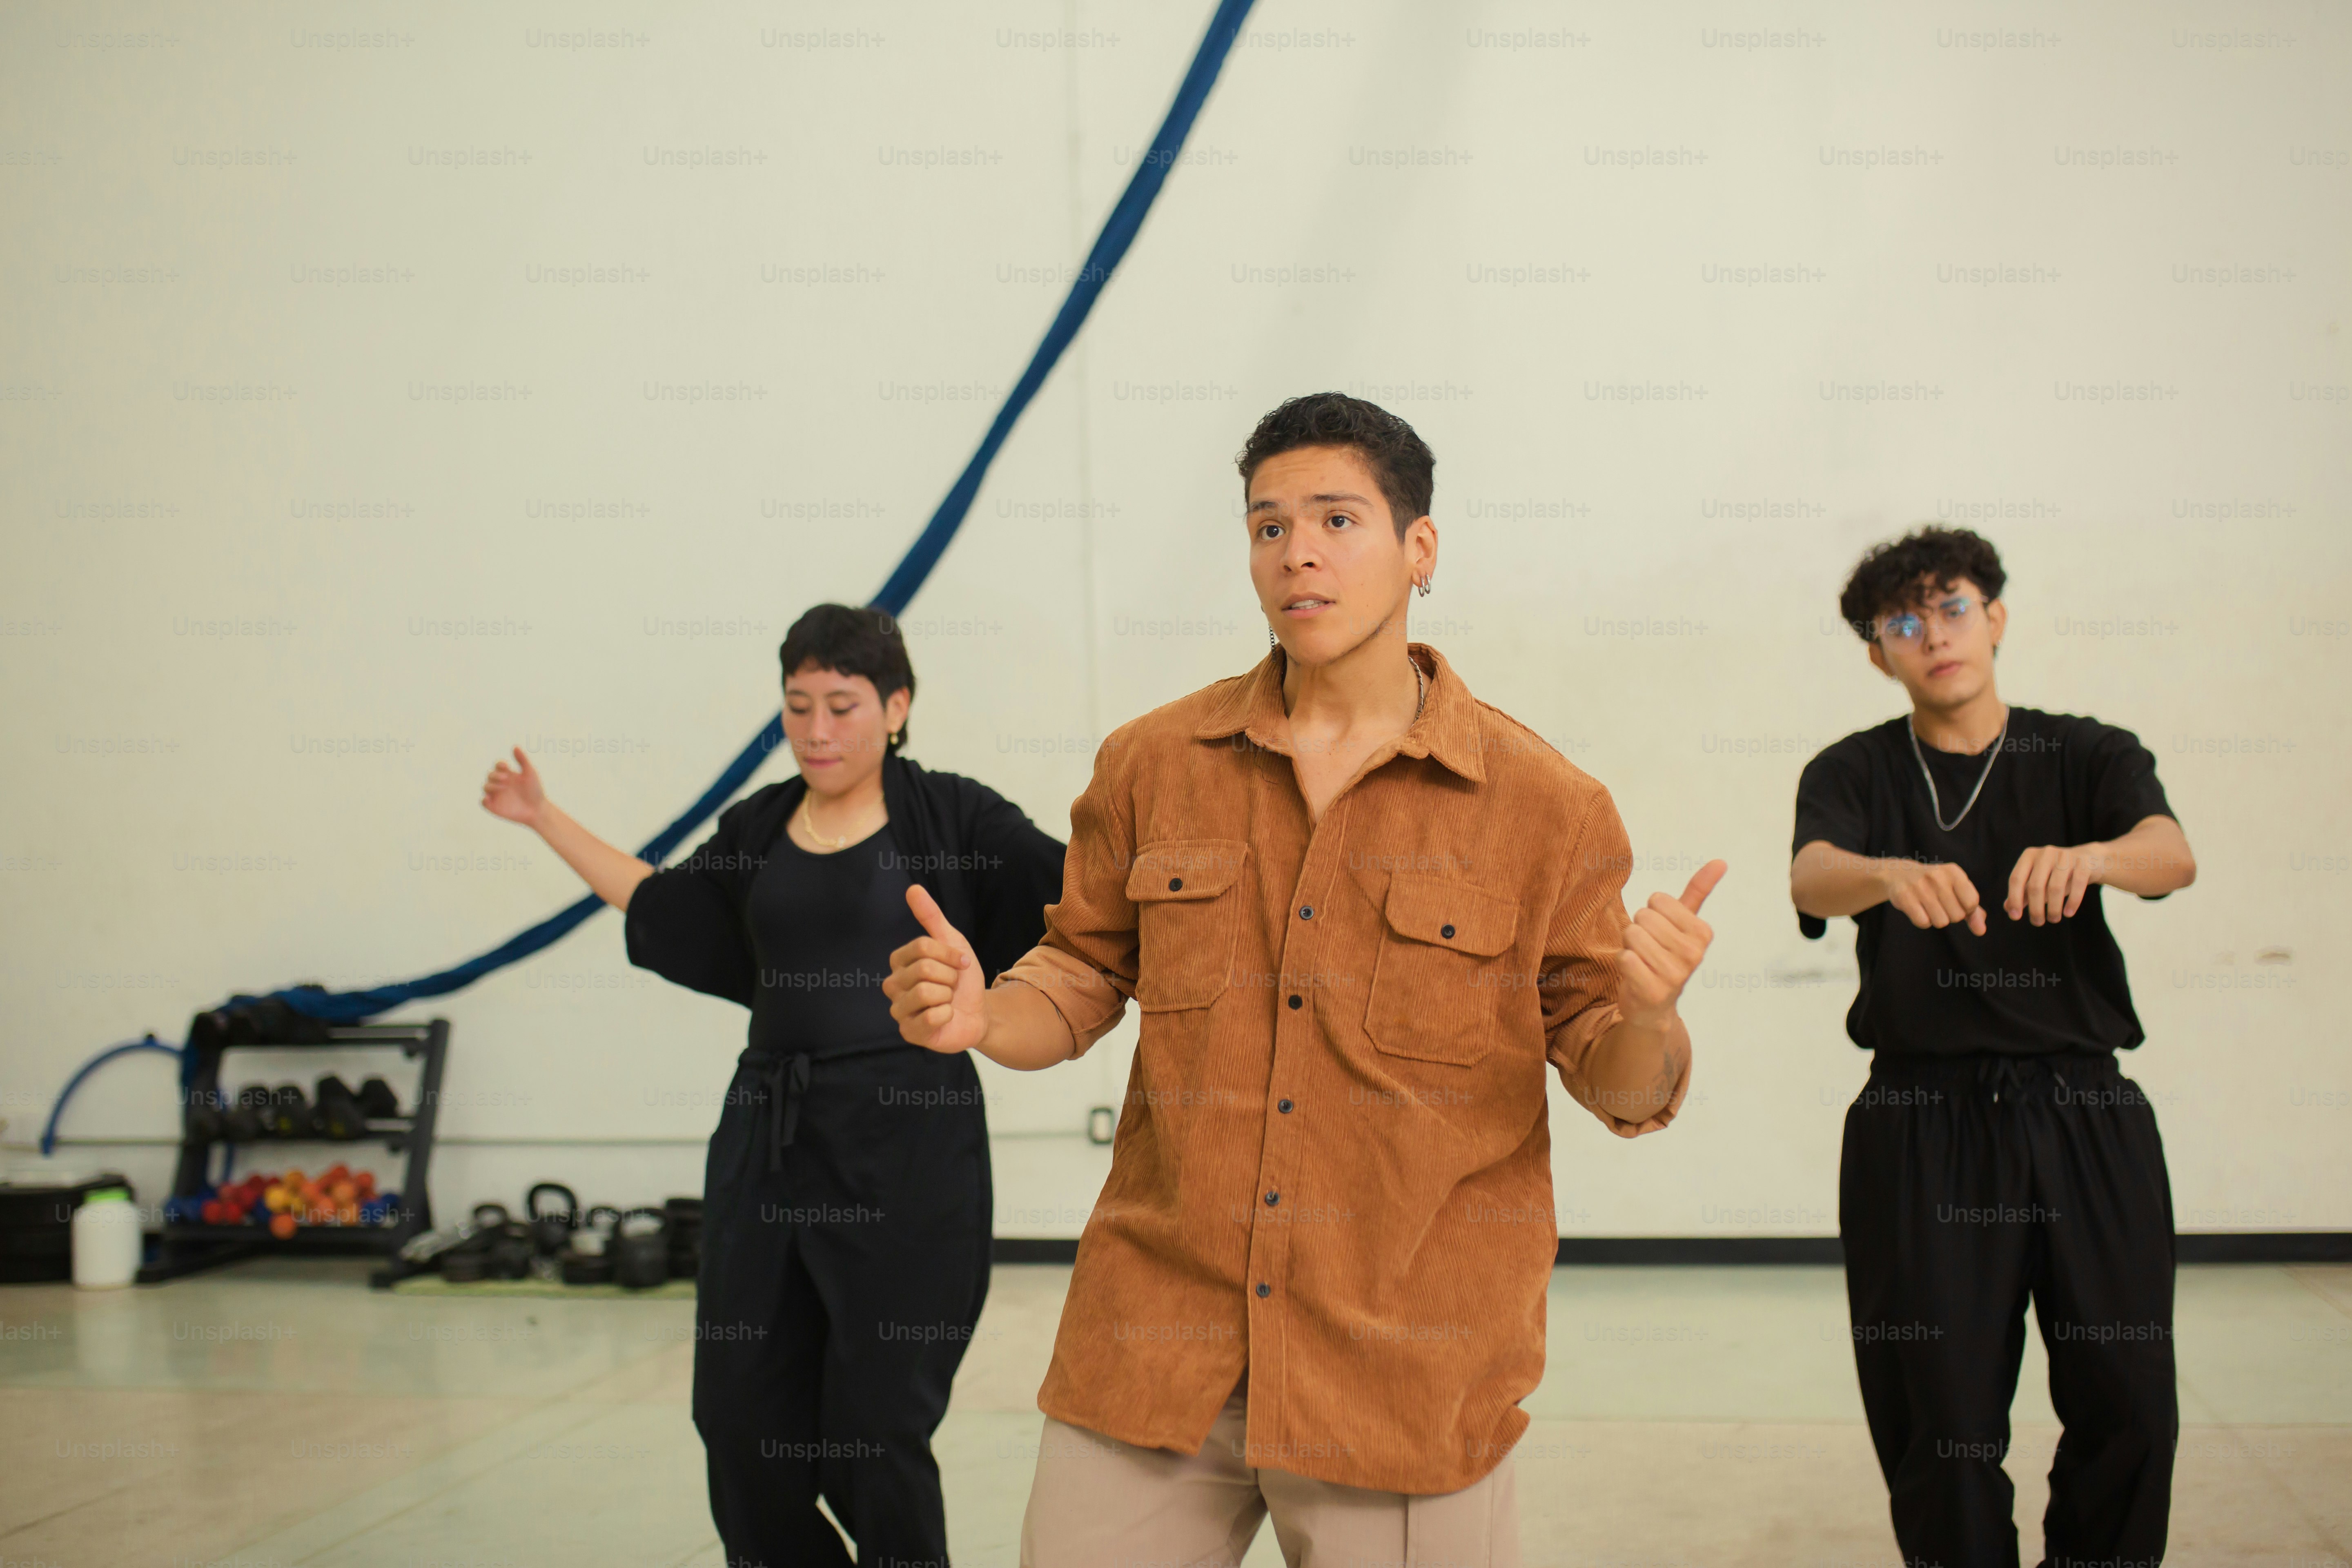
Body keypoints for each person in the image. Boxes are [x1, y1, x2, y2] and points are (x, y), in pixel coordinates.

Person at [883, 393, 1726, 1567]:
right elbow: (1079, 973)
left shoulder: (1546, 807)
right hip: (1155, 1343)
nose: (1300, 553)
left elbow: (1623, 1088)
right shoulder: (1152, 764)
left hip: (1403, 1373)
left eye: (1338, 519)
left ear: (1419, 549)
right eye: (1269, 526)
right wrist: (985, 1016)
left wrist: (1649, 1015)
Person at [481, 604, 1065, 1568]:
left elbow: (1076, 896)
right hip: (768, 1138)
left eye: (842, 704)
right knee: (741, 1420)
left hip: (907, 1148)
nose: (818, 730)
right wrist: (543, 816)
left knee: (874, 1435)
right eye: (798, 706)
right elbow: (664, 904)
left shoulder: (953, 818)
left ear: (897, 706)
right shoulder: (758, 826)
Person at [1788, 528, 2196, 1568]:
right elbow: (1811, 876)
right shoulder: (1855, 771)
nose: (1936, 636)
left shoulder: (2088, 752)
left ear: (1997, 616)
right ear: (1880, 653)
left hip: (2085, 1114)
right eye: (1904, 624)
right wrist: (1885, 876)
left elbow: (2172, 854)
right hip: (1922, 1124)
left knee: (2132, 1404)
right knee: (1947, 1426)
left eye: (1954, 607)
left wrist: (2096, 856)